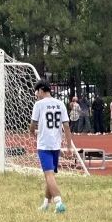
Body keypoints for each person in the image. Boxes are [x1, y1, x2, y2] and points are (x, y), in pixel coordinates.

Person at [30, 80, 72, 213]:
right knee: (51, 174)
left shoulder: (39, 104)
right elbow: (66, 126)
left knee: (48, 175)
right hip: (56, 144)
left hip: (44, 144)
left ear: (41, 90)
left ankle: (59, 203)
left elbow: (33, 124)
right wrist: (69, 146)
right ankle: (46, 204)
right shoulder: (60, 103)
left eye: (37, 92)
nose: (36, 94)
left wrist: (32, 132)